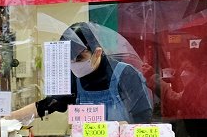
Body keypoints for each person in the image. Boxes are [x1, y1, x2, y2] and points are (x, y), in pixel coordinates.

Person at [10, 21, 153, 125]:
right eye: (68, 59)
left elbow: (143, 121)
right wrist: (6, 120)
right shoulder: (74, 78)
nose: (74, 64)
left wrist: (117, 131)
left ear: (97, 52)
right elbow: (48, 105)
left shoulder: (126, 75)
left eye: (79, 58)